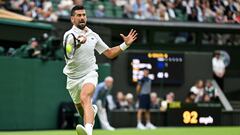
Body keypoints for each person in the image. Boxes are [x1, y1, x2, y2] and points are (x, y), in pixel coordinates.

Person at [63, 5, 137, 135]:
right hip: (72, 78)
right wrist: (80, 40)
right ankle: (92, 110)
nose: (82, 18)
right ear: (72, 19)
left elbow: (109, 53)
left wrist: (125, 44)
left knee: (85, 97)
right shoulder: (68, 35)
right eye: (78, 15)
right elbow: (72, 44)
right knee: (82, 110)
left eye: (84, 15)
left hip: (89, 73)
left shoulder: (93, 35)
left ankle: (89, 133)